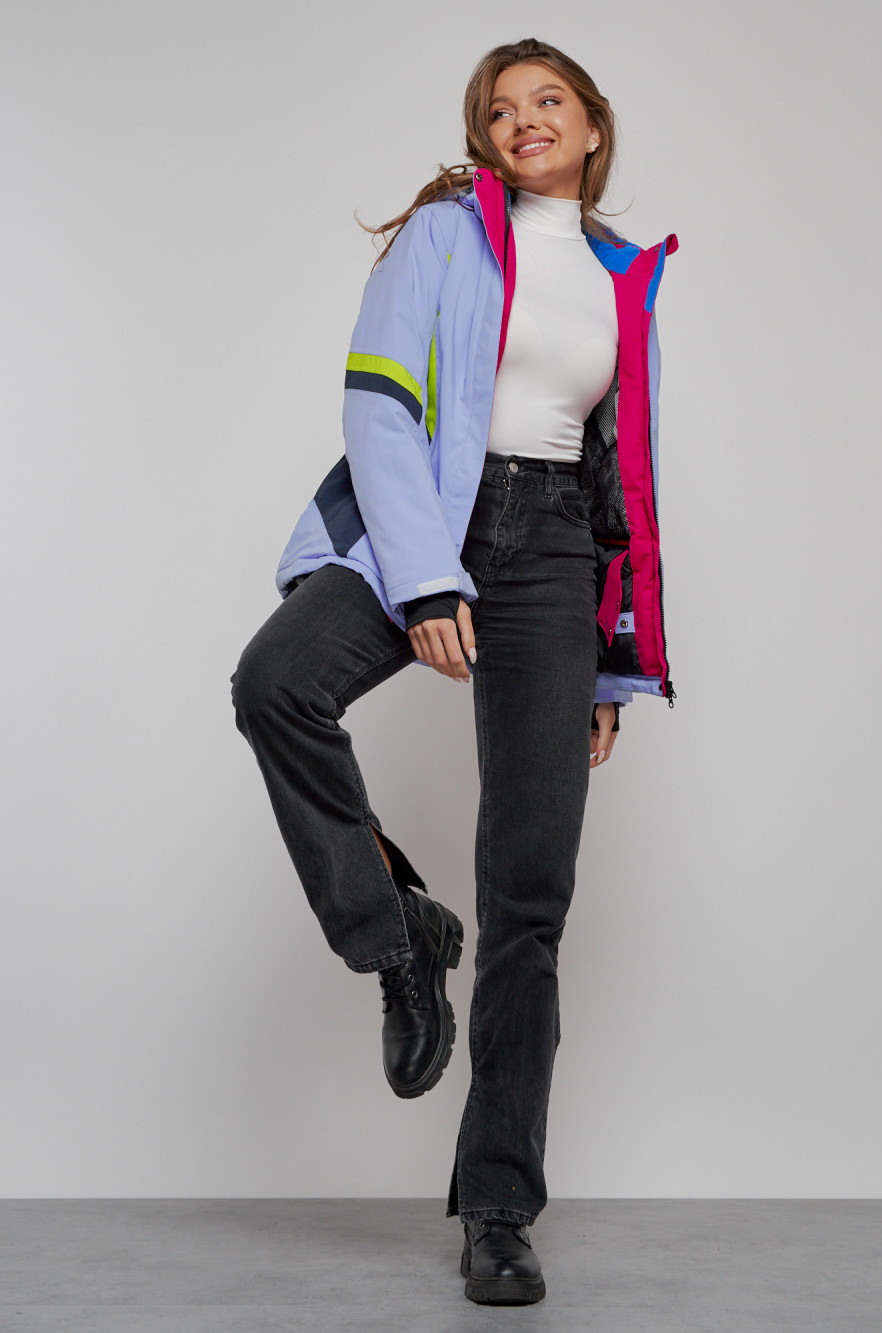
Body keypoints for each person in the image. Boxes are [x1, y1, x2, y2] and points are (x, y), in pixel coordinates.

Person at [229, 36, 678, 1307]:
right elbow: (377, 403)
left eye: (548, 100)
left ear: (592, 126)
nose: (524, 119)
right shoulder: (441, 237)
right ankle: (395, 932)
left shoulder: (624, 278)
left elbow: (623, 482)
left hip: (554, 555)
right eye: (500, 108)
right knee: (277, 682)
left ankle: (497, 1208)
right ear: (482, 137)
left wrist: (611, 667)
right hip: (428, 512)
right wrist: (427, 577)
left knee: (529, 891)